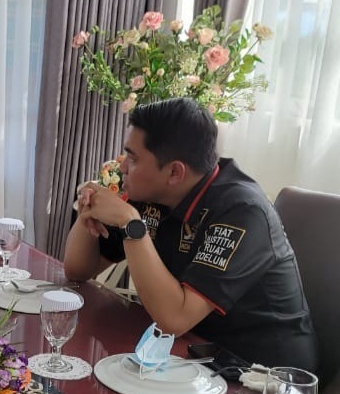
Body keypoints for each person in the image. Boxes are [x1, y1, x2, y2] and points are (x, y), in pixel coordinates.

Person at [63, 97, 317, 372]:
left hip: (263, 375)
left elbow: (174, 319)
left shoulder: (242, 211)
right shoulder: (151, 193)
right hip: (190, 354)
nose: (122, 167)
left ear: (174, 172)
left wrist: (130, 223)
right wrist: (89, 209)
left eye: (133, 159)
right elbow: (78, 270)